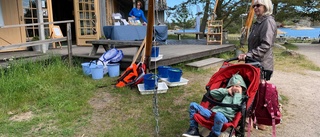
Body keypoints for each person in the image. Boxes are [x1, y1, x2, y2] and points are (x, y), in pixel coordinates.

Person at [238, 0, 277, 130]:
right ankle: (254, 119)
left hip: (262, 64)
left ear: (266, 6)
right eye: (254, 6)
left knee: (259, 93)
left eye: (258, 5)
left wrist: (248, 55)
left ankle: (259, 121)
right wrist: (248, 54)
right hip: (254, 62)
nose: (255, 8)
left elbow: (266, 45)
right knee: (254, 92)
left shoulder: (268, 22)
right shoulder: (258, 22)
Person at [182, 73, 247, 137]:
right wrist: (226, 91)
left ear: (243, 88)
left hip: (224, 117)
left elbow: (236, 107)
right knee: (193, 105)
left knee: (219, 115)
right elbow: (212, 93)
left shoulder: (242, 98)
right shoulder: (226, 93)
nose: (234, 88)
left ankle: (214, 134)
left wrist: (238, 94)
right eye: (232, 86)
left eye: (237, 86)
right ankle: (193, 129)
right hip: (212, 113)